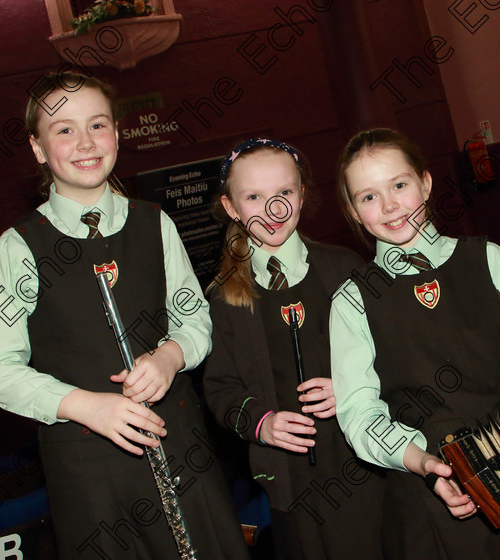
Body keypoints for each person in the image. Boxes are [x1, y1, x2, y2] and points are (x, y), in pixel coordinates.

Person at [0, 71, 249, 560]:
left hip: (183, 448)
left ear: (117, 134)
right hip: (90, 473)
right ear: (37, 148)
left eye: (97, 125)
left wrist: (171, 355)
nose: (85, 142)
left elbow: (194, 316)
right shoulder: (18, 247)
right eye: (63, 129)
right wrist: (84, 405)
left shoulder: (153, 222)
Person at [329, 128, 500, 560]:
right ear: (353, 210)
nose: (389, 206)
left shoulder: (490, 259)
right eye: (368, 197)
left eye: (399, 185)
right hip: (438, 490)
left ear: (425, 183)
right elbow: (359, 414)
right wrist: (424, 463)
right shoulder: (352, 300)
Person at [203, 138, 385, 560]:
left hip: (367, 464)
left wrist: (356, 387)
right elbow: (220, 389)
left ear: (302, 194)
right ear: (231, 207)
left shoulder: (347, 269)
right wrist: (260, 422)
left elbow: (396, 353)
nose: (273, 209)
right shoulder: (223, 298)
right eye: (254, 197)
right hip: (291, 484)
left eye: (284, 193)